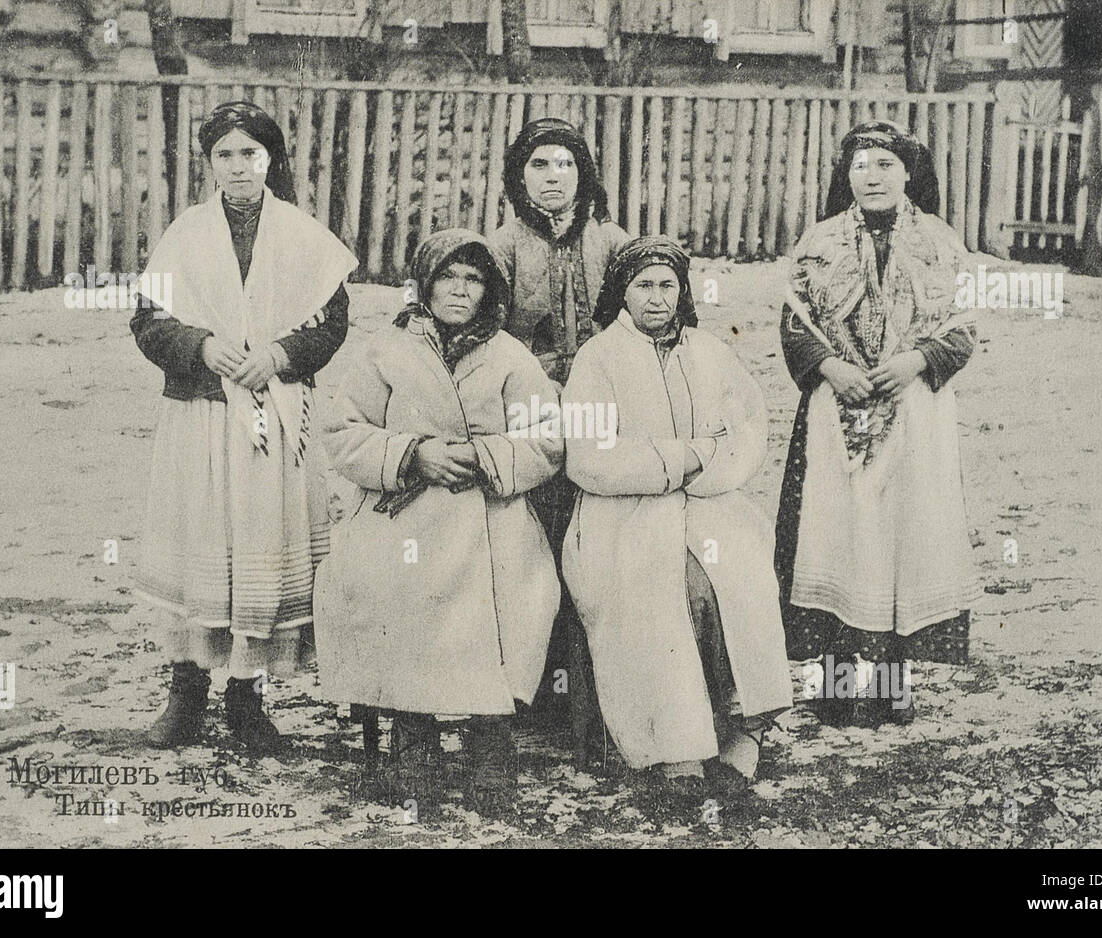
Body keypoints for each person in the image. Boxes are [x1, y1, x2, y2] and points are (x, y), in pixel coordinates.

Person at [131, 102, 356, 754]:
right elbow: (149, 323)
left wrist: (282, 356)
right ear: (209, 164)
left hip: (272, 415)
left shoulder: (301, 236)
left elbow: (332, 320)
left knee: (260, 547)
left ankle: (247, 696)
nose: (238, 167)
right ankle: (186, 690)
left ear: (270, 160)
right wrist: (201, 346)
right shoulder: (186, 235)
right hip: (201, 416)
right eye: (225, 155)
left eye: (250, 154)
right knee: (203, 543)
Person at [313, 228, 562, 809]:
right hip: (405, 506)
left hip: (489, 508)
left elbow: (547, 439)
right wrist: (412, 453)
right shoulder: (386, 350)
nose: (459, 290)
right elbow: (342, 431)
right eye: (447, 276)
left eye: (473, 279)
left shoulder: (510, 356)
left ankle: (489, 742)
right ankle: (412, 737)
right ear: (424, 284)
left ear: (490, 290)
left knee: (514, 594)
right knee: (388, 584)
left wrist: (486, 456)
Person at [560, 236, 794, 790]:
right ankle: (671, 747)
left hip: (711, 506)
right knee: (659, 591)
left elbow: (746, 432)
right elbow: (589, 456)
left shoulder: (711, 353)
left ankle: (742, 731)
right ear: (622, 293)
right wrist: (681, 457)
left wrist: (708, 468)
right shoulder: (598, 360)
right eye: (643, 286)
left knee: (737, 580)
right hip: (621, 515)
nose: (657, 298)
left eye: (668, 285)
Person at [774, 120, 981, 728]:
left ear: (909, 173)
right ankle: (838, 694)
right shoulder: (819, 242)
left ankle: (890, 691)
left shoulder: (940, 242)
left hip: (915, 411)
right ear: (847, 176)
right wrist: (831, 367)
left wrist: (918, 360)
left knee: (898, 539)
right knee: (840, 537)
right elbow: (793, 324)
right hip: (836, 412)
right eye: (861, 165)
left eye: (885, 164)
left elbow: (965, 326)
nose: (872, 176)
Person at [488, 117, 629, 748]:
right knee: (536, 549)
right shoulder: (500, 249)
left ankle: (601, 695)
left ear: (584, 174)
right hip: (531, 414)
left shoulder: (616, 244)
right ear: (520, 176)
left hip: (604, 411)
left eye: (565, 165)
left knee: (599, 547)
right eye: (540, 165)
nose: (553, 177)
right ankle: (537, 696)